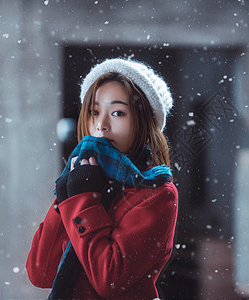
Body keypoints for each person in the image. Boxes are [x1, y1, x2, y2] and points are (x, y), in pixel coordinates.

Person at [26, 58, 178, 300]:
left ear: (144, 122)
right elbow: (40, 272)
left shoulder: (157, 192)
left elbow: (111, 281)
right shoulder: (83, 178)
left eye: (118, 113)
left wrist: (83, 198)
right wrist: (68, 191)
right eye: (94, 112)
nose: (101, 125)